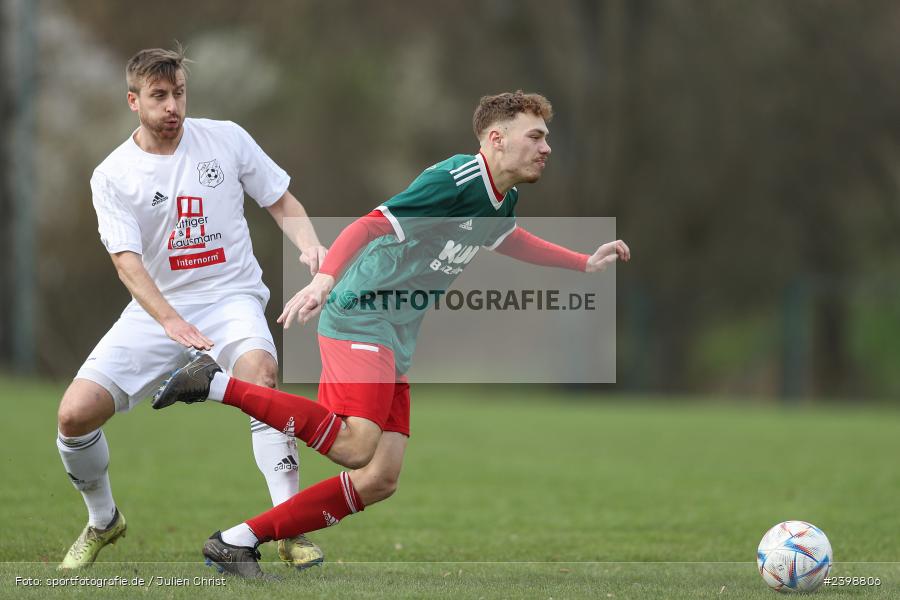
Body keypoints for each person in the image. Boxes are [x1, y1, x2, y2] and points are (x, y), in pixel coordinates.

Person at [153, 90, 630, 578]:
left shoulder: (504, 196)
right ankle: (212, 384)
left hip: (396, 334)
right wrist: (323, 280)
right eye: (535, 136)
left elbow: (508, 238)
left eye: (545, 138)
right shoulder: (453, 180)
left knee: (380, 477)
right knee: (358, 446)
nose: (545, 147)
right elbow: (367, 226)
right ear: (496, 139)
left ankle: (237, 540)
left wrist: (582, 262)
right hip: (361, 315)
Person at [56, 45, 328, 570]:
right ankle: (103, 520)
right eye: (159, 96)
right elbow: (127, 263)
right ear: (133, 101)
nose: (172, 106)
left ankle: (288, 528)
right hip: (155, 310)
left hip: (231, 297)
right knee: (73, 415)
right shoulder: (113, 174)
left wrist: (308, 245)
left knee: (261, 377)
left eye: (178, 93)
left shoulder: (225, 139)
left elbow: (281, 199)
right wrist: (170, 321)